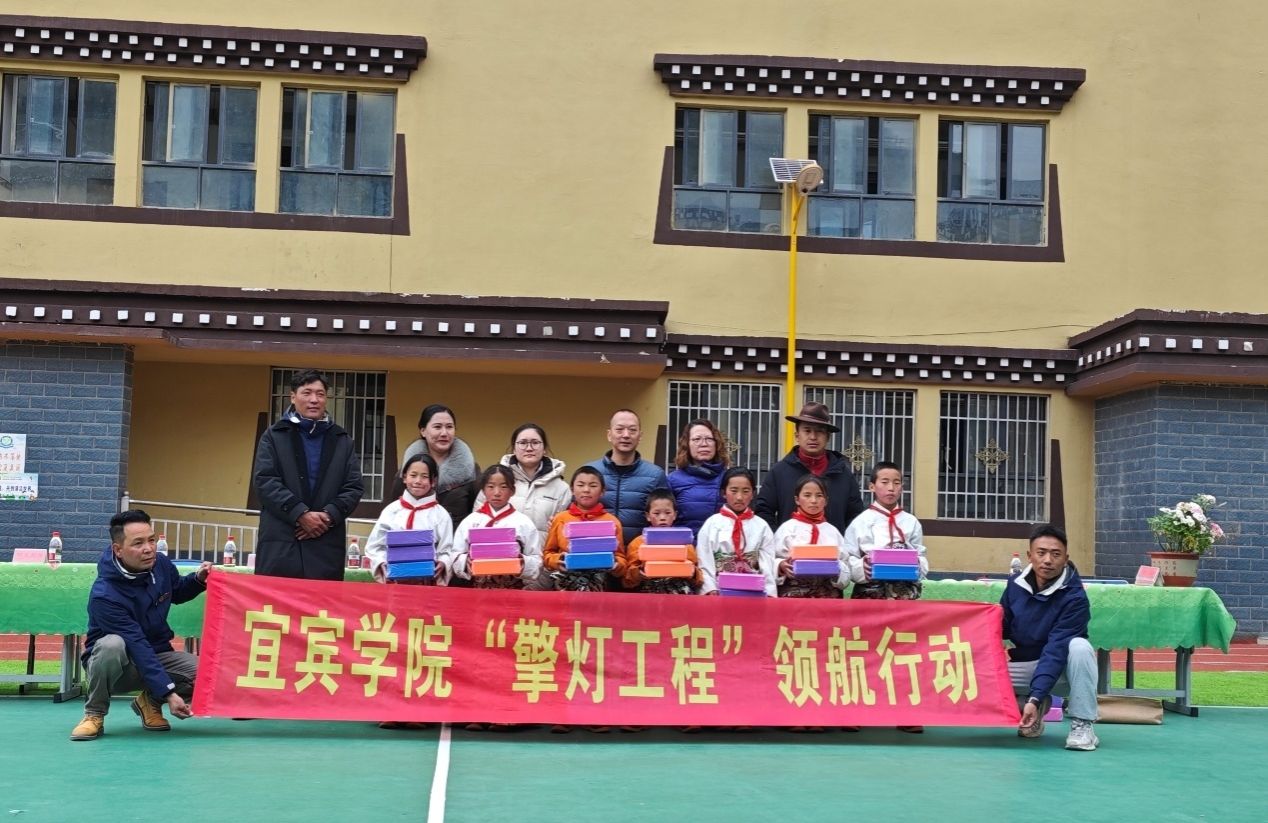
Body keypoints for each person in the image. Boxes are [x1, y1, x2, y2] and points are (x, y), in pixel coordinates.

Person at [70, 510, 211, 741]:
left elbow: (176, 591)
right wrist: (169, 693)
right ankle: (94, 714)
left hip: (157, 654)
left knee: (209, 675)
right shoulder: (105, 595)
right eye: (138, 543)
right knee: (112, 645)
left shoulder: (161, 564)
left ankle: (149, 701)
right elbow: (136, 643)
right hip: (119, 668)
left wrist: (198, 580)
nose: (149, 548)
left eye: (151, 540)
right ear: (118, 549)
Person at [253, 369, 364, 580]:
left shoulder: (342, 440)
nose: (314, 400)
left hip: (325, 544)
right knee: (277, 599)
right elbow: (265, 481)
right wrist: (300, 514)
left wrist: (327, 517)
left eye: (320, 394)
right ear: (293, 397)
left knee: (322, 601)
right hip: (281, 544)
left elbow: (354, 486)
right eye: (307, 393)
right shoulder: (274, 436)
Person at [1003, 523, 1099, 752]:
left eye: (1055, 554)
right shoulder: (1015, 585)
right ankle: (1031, 708)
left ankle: (1083, 725)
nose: (1047, 560)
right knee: (975, 676)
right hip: (1027, 665)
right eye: (1041, 553)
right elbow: (1001, 627)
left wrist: (1035, 696)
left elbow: (1056, 649)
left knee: (1080, 647)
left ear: (1066, 559)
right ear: (1029, 556)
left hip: (1063, 673)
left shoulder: (1075, 598)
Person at [754, 401, 866, 534]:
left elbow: (855, 517)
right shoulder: (779, 472)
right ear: (797, 436)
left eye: (819, 431)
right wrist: (779, 539)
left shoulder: (843, 474)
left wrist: (842, 541)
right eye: (807, 431)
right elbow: (764, 512)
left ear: (828, 437)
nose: (813, 437)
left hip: (834, 546)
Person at [364, 454, 455, 585]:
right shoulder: (391, 511)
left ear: (433, 481)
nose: (418, 481)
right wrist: (381, 562)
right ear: (404, 477)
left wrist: (443, 562)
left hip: (427, 583)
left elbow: (447, 549)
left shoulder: (441, 515)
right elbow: (374, 546)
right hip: (394, 581)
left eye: (424, 476)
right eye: (413, 475)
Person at [472, 423, 570, 544]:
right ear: (514, 448)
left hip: (544, 554)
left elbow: (566, 529)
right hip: (501, 552)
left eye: (535, 442)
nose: (529, 448)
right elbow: (476, 522)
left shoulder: (561, 488)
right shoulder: (495, 481)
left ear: (544, 448)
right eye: (523, 443)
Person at [452, 465, 546, 591]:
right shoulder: (471, 521)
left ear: (513, 490)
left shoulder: (523, 522)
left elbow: (536, 559)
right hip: (479, 590)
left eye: (503, 487)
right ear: (483, 490)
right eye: (491, 487)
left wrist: (522, 562)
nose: (497, 493)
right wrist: (465, 561)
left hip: (512, 591)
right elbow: (456, 554)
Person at [844, 461, 928, 600]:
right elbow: (849, 557)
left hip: (905, 591)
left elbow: (921, 554)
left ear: (902, 487)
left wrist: (917, 565)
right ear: (872, 486)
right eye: (884, 482)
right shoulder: (861, 522)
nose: (891, 488)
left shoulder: (911, 522)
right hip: (870, 592)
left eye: (896, 483)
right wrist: (863, 567)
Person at [585, 409, 668, 544]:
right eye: (619, 430)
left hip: (640, 551)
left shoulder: (655, 475)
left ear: (640, 436)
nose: (626, 435)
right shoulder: (590, 472)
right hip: (598, 549)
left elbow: (665, 516)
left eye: (632, 430)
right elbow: (574, 512)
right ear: (609, 435)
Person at [542, 466, 628, 593]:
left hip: (599, 587)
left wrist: (616, 565)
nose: (586, 490)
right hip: (564, 585)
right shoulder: (560, 518)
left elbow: (621, 558)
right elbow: (548, 553)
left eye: (593, 486)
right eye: (580, 485)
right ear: (572, 489)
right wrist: (557, 560)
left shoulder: (612, 522)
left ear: (602, 491)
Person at [696, 467, 777, 597]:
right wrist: (710, 589)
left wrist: (769, 592)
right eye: (733, 491)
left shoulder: (761, 526)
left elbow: (767, 563)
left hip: (754, 592)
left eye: (746, 491)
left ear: (753, 494)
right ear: (723, 493)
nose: (739, 497)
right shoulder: (711, 524)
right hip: (719, 591)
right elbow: (704, 560)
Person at [773, 475, 850, 600]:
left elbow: (846, 564)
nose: (813, 500)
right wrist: (780, 565)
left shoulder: (832, 531)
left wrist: (837, 568)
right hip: (793, 597)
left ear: (826, 500)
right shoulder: (787, 529)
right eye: (807, 495)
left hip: (827, 597)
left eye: (819, 496)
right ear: (797, 499)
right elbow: (771, 559)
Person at [402, 404, 479, 528]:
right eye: (437, 427)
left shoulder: (471, 471)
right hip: (415, 538)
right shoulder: (407, 470)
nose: (444, 433)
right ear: (423, 431)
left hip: (456, 538)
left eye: (449, 427)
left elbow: (477, 514)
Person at [622, 489, 703, 595]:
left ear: (675, 515)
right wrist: (639, 572)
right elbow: (627, 580)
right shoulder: (638, 543)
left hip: (680, 592)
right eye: (656, 513)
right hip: (649, 592)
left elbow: (698, 578)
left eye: (668, 513)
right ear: (648, 516)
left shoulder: (685, 542)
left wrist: (693, 573)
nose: (662, 518)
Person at [666, 419, 730, 539]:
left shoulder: (729, 478)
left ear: (717, 444)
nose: (704, 444)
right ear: (687, 445)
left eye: (709, 439)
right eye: (697, 439)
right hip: (685, 546)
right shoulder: (673, 480)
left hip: (721, 548)